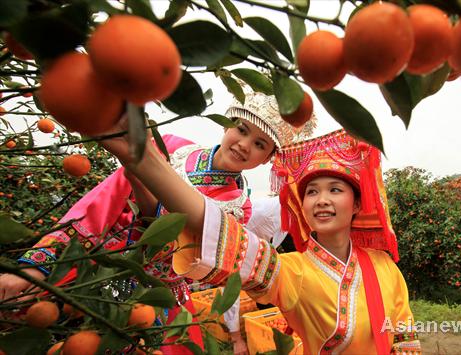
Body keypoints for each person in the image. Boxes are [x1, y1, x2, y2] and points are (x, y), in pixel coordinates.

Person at [0, 90, 315, 354]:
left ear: (267, 159)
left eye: (260, 144)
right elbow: (102, 200)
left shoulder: (237, 208)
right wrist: (37, 265)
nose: (245, 144)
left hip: (150, 297)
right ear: (226, 126)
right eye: (242, 130)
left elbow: (164, 240)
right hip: (91, 260)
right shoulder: (173, 145)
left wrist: (138, 166)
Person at [99, 122, 421, 354]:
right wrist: (140, 157)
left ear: (358, 206)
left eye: (335, 190)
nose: (321, 200)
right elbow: (213, 226)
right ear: (301, 206)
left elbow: (405, 339)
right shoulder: (291, 271)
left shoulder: (386, 268)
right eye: (311, 192)